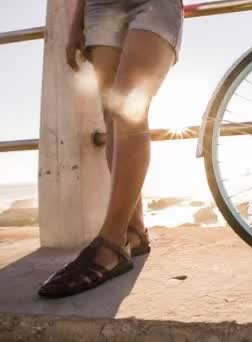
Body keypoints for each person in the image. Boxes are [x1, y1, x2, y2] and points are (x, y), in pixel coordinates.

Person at [38, 0, 183, 298]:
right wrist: (76, 21)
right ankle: (135, 231)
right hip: (100, 6)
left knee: (129, 106)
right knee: (112, 116)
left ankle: (112, 243)